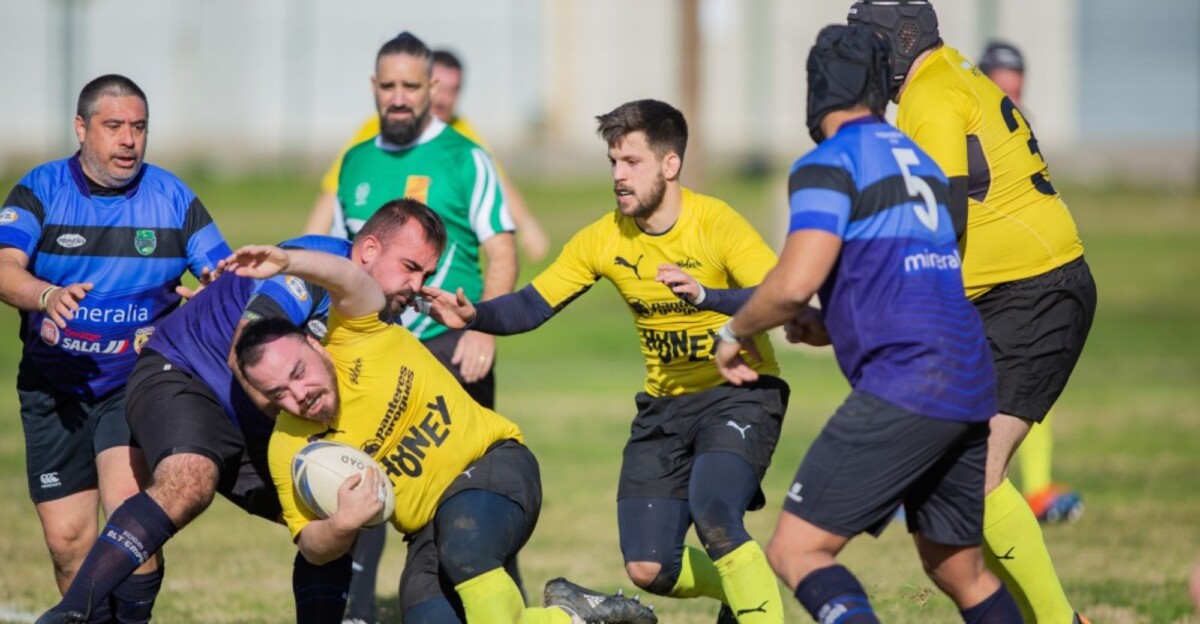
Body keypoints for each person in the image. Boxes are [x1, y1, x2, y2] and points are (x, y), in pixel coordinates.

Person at [422, 99, 788, 622]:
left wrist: (708, 297)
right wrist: (474, 314)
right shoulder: (605, 236)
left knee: (715, 514)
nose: (618, 175)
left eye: (631, 162)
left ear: (670, 164)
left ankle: (753, 597)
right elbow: (532, 303)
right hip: (664, 408)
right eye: (613, 162)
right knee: (647, 566)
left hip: (740, 393)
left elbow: (778, 296)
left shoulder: (716, 223)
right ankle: (744, 588)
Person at [713, 23, 1023, 624]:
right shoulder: (921, 164)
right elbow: (911, 280)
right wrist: (828, 324)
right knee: (957, 565)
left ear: (817, 87)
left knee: (796, 549)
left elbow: (793, 282)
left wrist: (736, 331)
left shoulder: (829, 162)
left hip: (908, 381)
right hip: (968, 378)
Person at [35, 200, 444, 624]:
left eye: (426, 275)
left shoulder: (378, 319)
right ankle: (69, 614)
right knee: (189, 479)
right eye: (410, 267)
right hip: (186, 372)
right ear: (370, 250)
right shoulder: (314, 264)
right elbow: (243, 351)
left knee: (340, 510)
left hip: (260, 417)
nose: (417, 285)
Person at [229, 243, 658, 624]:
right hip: (428, 531)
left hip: (493, 467)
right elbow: (312, 547)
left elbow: (348, 277)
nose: (298, 394)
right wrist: (341, 523)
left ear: (318, 345)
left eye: (299, 372)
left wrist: (289, 262)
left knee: (466, 543)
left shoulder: (359, 334)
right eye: (277, 392)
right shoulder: (289, 448)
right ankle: (571, 615)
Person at [849, 2, 1098, 622]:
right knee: (949, 480)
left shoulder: (929, 95)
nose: (863, 58)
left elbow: (942, 218)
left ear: (901, 42)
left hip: (1034, 293)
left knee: (976, 476)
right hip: (1005, 293)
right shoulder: (950, 72)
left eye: (869, 42)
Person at [0, 74, 230, 623]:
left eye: (139, 127)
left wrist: (211, 298)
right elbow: (5, 269)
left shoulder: (172, 198)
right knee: (68, 541)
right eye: (114, 126)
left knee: (131, 518)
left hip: (134, 382)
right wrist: (46, 294)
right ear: (81, 129)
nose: (129, 139)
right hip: (55, 387)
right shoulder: (40, 190)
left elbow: (223, 278)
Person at [311, 32, 523, 623]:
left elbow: (501, 248)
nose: (399, 98)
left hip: (450, 345)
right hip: (375, 352)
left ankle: (507, 604)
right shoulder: (355, 162)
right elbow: (335, 257)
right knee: (362, 477)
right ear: (374, 89)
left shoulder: (464, 157)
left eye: (411, 86)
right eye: (389, 86)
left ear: (433, 89)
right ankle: (353, 611)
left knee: (471, 495)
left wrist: (487, 328)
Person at [305, 48, 549, 262]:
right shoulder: (378, 128)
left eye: (453, 90)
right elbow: (335, 189)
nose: (443, 99)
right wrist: (307, 247)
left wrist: (528, 224)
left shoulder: (462, 134)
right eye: (440, 89)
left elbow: (496, 181)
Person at [977, 40, 1084, 525]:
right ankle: (907, 484)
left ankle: (1037, 488)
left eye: (1017, 91)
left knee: (1029, 383)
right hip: (974, 280)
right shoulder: (956, 129)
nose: (1012, 101)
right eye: (1004, 90)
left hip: (1022, 282)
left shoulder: (1021, 133)